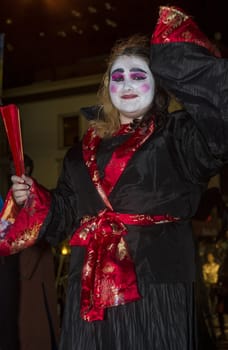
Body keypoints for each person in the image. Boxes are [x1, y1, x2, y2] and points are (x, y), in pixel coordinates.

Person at [0, 5, 228, 349]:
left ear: (158, 81)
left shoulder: (179, 136)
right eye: (117, 76)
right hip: (89, 290)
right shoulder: (81, 152)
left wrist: (174, 57)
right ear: (107, 86)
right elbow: (65, 215)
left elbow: (220, 118)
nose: (126, 85)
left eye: (139, 75)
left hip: (155, 287)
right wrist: (33, 196)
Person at [9, 154, 60, 350]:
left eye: (17, 166)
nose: (12, 170)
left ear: (27, 169)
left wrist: (23, 268)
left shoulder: (36, 195)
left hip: (31, 269)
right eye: (11, 166)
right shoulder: (12, 197)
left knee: (36, 324)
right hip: (22, 268)